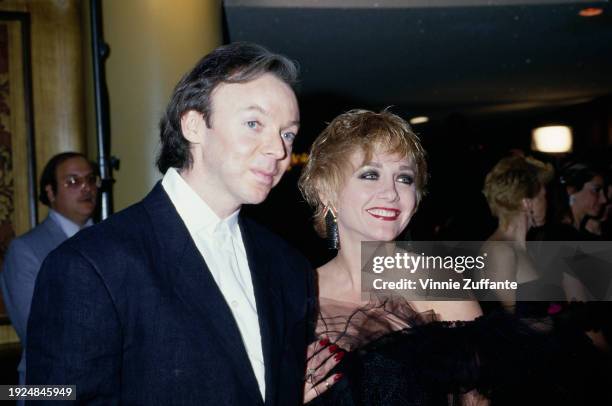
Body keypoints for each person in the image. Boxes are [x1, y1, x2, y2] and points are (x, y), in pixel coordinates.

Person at [26, 43, 313, 405]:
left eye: (287, 133)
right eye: (254, 124)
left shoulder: (289, 266)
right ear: (194, 125)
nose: (278, 150)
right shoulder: (89, 265)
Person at [297, 110, 519, 405]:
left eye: (404, 178)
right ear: (328, 192)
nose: (391, 193)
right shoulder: (296, 295)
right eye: (370, 174)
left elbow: (478, 401)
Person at [1, 152, 98, 389]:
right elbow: (35, 331)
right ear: (50, 192)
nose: (86, 188)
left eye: (91, 179)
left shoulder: (114, 240)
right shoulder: (26, 250)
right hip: (52, 386)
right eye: (73, 181)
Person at [481, 155, 554, 313]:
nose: (547, 202)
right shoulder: (500, 251)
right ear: (526, 202)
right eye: (543, 196)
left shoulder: (524, 248)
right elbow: (511, 325)